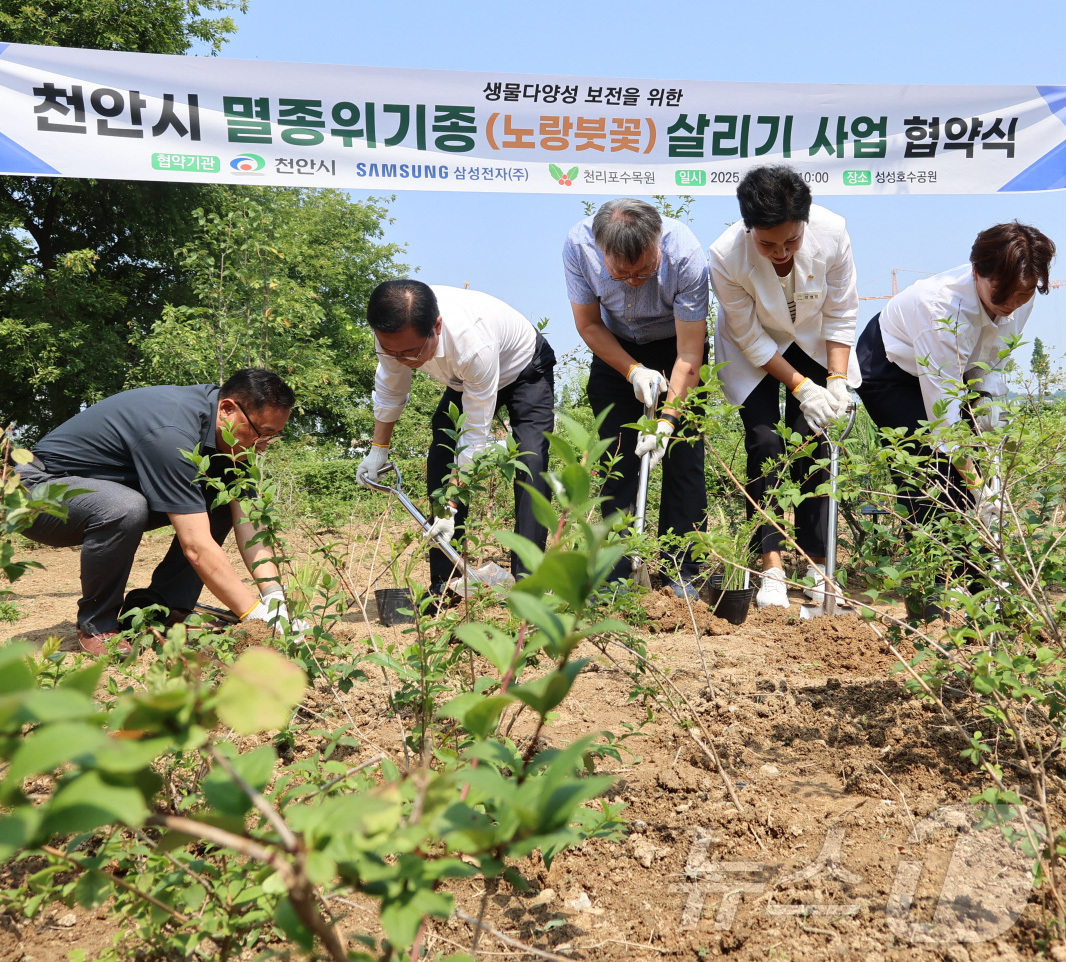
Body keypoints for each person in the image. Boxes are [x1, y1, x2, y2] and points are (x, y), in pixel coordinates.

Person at [14, 369, 299, 655]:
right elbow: (197, 547)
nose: (262, 447)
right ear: (227, 409)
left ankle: (165, 606)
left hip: (100, 492)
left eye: (272, 437)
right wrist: (253, 614)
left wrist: (275, 600)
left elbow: (250, 523)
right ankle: (97, 624)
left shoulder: (232, 440)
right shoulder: (171, 430)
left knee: (220, 496)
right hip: (38, 492)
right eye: (262, 433)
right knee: (124, 507)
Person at [855, 221, 1055, 563]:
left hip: (960, 368)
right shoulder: (940, 309)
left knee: (976, 457)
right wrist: (982, 491)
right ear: (977, 271)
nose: (1012, 304)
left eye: (1023, 294)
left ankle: (979, 580)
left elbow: (991, 357)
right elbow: (945, 424)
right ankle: (934, 585)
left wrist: (986, 410)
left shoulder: (1021, 294)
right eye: (1002, 294)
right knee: (927, 466)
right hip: (890, 366)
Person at [708, 165, 859, 610]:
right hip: (754, 348)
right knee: (765, 442)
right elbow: (751, 338)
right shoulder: (725, 254)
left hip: (812, 340)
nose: (780, 252)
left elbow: (841, 312)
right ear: (748, 227)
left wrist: (833, 382)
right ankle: (770, 565)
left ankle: (817, 566)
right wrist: (800, 387)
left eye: (790, 241)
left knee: (815, 444)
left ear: (805, 224)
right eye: (767, 243)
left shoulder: (833, 234)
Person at [356, 280, 556, 597]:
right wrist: (378, 450)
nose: (402, 360)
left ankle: (529, 580)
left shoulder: (472, 342)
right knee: (442, 449)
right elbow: (391, 388)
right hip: (466, 378)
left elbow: (474, 436)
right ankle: (446, 581)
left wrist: (449, 507)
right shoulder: (392, 332)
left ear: (436, 326)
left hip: (524, 366)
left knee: (531, 457)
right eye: (392, 352)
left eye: (411, 352)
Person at [564, 198, 709, 598]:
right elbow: (589, 323)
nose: (633, 280)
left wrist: (666, 421)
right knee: (618, 459)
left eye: (645, 269)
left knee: (683, 458)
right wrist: (632, 370)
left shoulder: (685, 255)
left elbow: (690, 354)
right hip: (614, 348)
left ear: (658, 241)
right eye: (620, 273)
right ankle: (614, 577)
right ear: (600, 251)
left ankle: (683, 572)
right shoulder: (579, 246)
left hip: (676, 345)